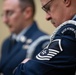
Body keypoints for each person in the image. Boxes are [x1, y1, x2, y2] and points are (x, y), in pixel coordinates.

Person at [12, 0, 76, 75]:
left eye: (48, 8)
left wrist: (22, 68)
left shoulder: (70, 32)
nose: (47, 17)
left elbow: (25, 72)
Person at [0, 0, 50, 75]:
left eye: (9, 13)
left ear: (27, 12)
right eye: (3, 14)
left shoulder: (42, 42)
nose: (5, 20)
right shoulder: (7, 42)